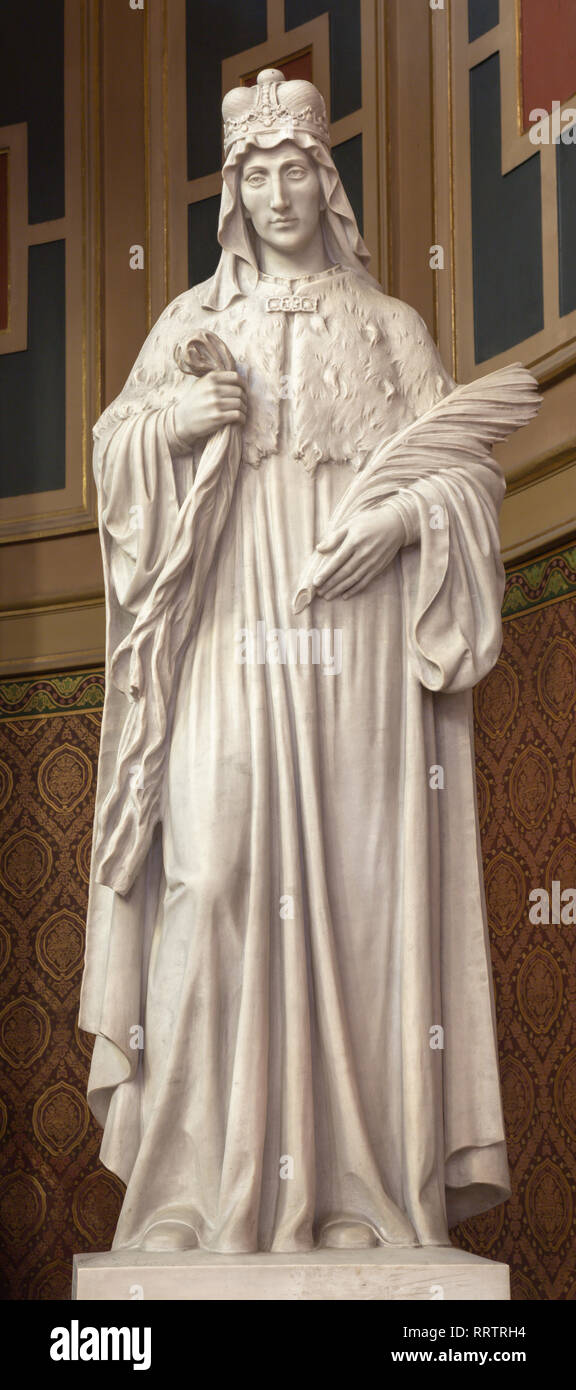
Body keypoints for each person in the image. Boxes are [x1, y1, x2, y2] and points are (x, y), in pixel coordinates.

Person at [79, 69, 536, 1254]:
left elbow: (465, 470)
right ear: (233, 195)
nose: (279, 192)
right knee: (212, 875)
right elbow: (117, 455)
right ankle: (192, 1192)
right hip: (230, 626)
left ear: (325, 183)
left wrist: (394, 524)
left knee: (364, 894)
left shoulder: (391, 330)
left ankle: (354, 1194)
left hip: (358, 646)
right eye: (256, 174)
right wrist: (175, 425)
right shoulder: (189, 325)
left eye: (297, 168)